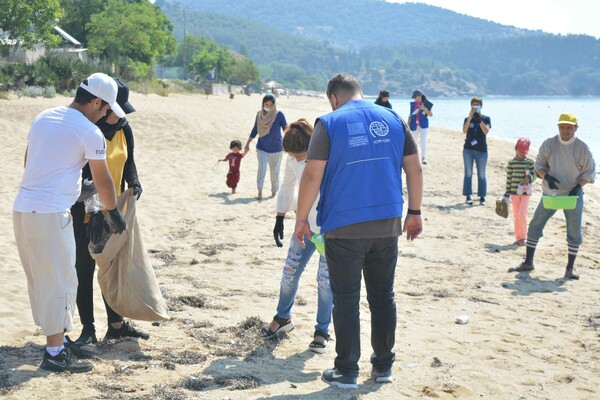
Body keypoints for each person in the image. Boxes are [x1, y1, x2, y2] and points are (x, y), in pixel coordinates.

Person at [294, 74, 423, 389]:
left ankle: (347, 371)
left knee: (347, 299)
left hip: (344, 225)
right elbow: (415, 168)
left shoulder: (329, 122)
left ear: (333, 98)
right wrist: (415, 212)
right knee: (382, 297)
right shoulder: (393, 117)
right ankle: (383, 368)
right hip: (388, 222)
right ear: (359, 93)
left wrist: (301, 219)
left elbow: (312, 175)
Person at [13, 72, 127, 373]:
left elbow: (30, 162)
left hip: (23, 208)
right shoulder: (89, 132)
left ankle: (57, 341)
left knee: (40, 279)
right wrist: (112, 212)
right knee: (61, 281)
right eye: (105, 109)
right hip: (50, 214)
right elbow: (103, 180)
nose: (105, 116)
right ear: (96, 101)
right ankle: (54, 353)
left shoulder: (43, 116)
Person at [72, 78, 148, 346]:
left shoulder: (125, 129)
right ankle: (87, 330)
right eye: (117, 109)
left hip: (113, 210)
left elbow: (130, 162)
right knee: (85, 269)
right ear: (103, 106)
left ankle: (115, 325)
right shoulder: (89, 131)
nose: (121, 114)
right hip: (85, 213)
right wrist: (94, 204)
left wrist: (134, 182)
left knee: (111, 268)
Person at [260, 119, 333, 354]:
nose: (297, 159)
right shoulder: (292, 160)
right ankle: (283, 318)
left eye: (300, 155)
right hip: (304, 228)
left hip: (329, 230)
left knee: (325, 282)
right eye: (292, 155)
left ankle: (322, 331)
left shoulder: (328, 158)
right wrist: (280, 216)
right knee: (289, 273)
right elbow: (287, 186)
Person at [509, 113, 595, 280]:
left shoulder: (582, 148)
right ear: (558, 128)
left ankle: (570, 268)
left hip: (573, 195)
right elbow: (539, 165)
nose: (565, 130)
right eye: (562, 127)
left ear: (576, 128)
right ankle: (528, 262)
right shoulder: (549, 144)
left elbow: (589, 172)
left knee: (574, 231)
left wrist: (578, 187)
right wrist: (546, 177)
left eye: (569, 127)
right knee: (535, 225)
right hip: (551, 193)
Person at [244, 94, 287, 200]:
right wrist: (247, 143)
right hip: (261, 148)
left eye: (271, 104)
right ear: (263, 104)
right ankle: (259, 191)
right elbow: (255, 129)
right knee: (261, 169)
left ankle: (274, 192)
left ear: (274, 105)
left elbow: (286, 128)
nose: (268, 106)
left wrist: (289, 142)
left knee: (275, 172)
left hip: (276, 149)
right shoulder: (259, 115)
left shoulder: (279, 114)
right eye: (266, 104)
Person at [503, 138, 536, 245]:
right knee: (517, 215)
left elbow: (535, 175)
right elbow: (509, 178)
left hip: (526, 193)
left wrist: (529, 178)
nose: (522, 154)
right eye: (520, 151)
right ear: (516, 148)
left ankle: (524, 237)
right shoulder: (512, 163)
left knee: (522, 214)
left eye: (524, 152)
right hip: (514, 192)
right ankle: (518, 238)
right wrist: (507, 193)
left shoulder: (530, 162)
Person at [462, 97, 491, 205]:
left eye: (477, 104)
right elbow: (464, 130)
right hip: (468, 149)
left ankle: (482, 196)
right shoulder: (467, 119)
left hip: (482, 150)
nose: (475, 106)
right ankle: (468, 196)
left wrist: (479, 120)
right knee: (468, 173)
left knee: (482, 174)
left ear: (481, 106)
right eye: (473, 104)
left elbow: (486, 131)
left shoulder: (486, 118)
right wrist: (470, 118)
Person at [407, 89, 433, 165]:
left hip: (424, 125)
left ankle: (424, 158)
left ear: (419, 96)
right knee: (414, 141)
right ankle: (415, 157)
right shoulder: (412, 104)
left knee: (423, 141)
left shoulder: (427, 103)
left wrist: (424, 109)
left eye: (415, 97)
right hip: (414, 125)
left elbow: (431, 115)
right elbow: (410, 115)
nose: (414, 99)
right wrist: (407, 124)